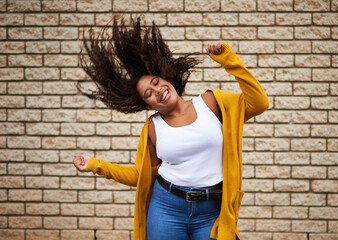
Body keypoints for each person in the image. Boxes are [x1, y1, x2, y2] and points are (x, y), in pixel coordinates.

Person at [73, 16, 269, 240]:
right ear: (147, 105)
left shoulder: (212, 102)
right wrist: (95, 165)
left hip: (212, 211)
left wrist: (228, 60)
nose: (157, 90)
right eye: (149, 93)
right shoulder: (153, 128)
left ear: (165, 78)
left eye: (156, 82)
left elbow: (259, 103)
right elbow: (140, 175)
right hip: (166, 209)